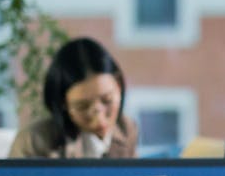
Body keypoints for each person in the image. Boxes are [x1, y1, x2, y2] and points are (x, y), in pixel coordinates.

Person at [10, 37, 139, 159]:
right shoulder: (34, 142)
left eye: (107, 100)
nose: (99, 118)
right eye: (82, 107)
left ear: (119, 87)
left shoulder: (127, 130)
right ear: (63, 104)